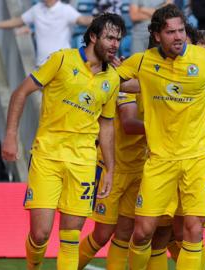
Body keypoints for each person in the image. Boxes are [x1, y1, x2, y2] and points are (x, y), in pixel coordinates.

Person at [116, 4, 205, 270]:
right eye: (170, 32)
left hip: (198, 158)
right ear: (157, 35)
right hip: (160, 159)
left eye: (181, 30)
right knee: (143, 231)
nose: (178, 36)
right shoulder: (142, 61)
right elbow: (112, 81)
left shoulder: (204, 59)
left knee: (193, 231)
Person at [0, 13, 125, 270]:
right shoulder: (61, 59)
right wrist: (11, 136)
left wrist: (110, 168)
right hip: (48, 155)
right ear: (93, 36)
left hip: (83, 162)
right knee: (41, 233)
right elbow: (21, 92)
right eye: (110, 37)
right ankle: (33, 266)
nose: (115, 44)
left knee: (70, 237)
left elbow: (107, 123)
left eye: (119, 39)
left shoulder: (112, 78)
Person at [77, 92, 147, 270]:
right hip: (113, 168)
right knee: (102, 234)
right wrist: (165, 126)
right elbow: (128, 124)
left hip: (139, 168)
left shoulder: (158, 79)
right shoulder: (127, 80)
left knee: (124, 232)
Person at [0, 0, 92, 65]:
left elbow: (83, 20)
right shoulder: (37, 9)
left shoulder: (65, 10)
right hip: (42, 65)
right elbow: (17, 21)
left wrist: (105, 20)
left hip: (62, 65)